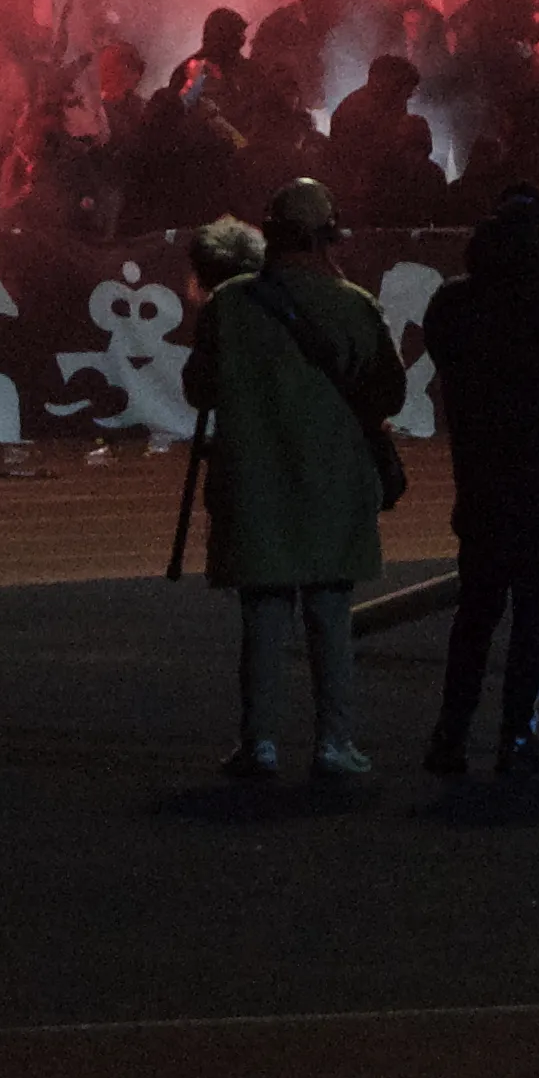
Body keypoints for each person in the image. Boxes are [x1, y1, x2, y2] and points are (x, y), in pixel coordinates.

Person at [192, 177, 404, 779]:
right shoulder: (354, 304)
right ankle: (334, 743)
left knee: (262, 615)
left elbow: (197, 387)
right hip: (333, 481)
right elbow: (389, 388)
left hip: (254, 481)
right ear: (322, 237)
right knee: (330, 616)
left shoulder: (228, 305)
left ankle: (258, 743)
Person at [414, 187, 539, 776]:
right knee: (534, 615)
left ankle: (451, 733)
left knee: (475, 612)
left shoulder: (456, 304)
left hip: (483, 477)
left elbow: (442, 350)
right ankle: (516, 735)